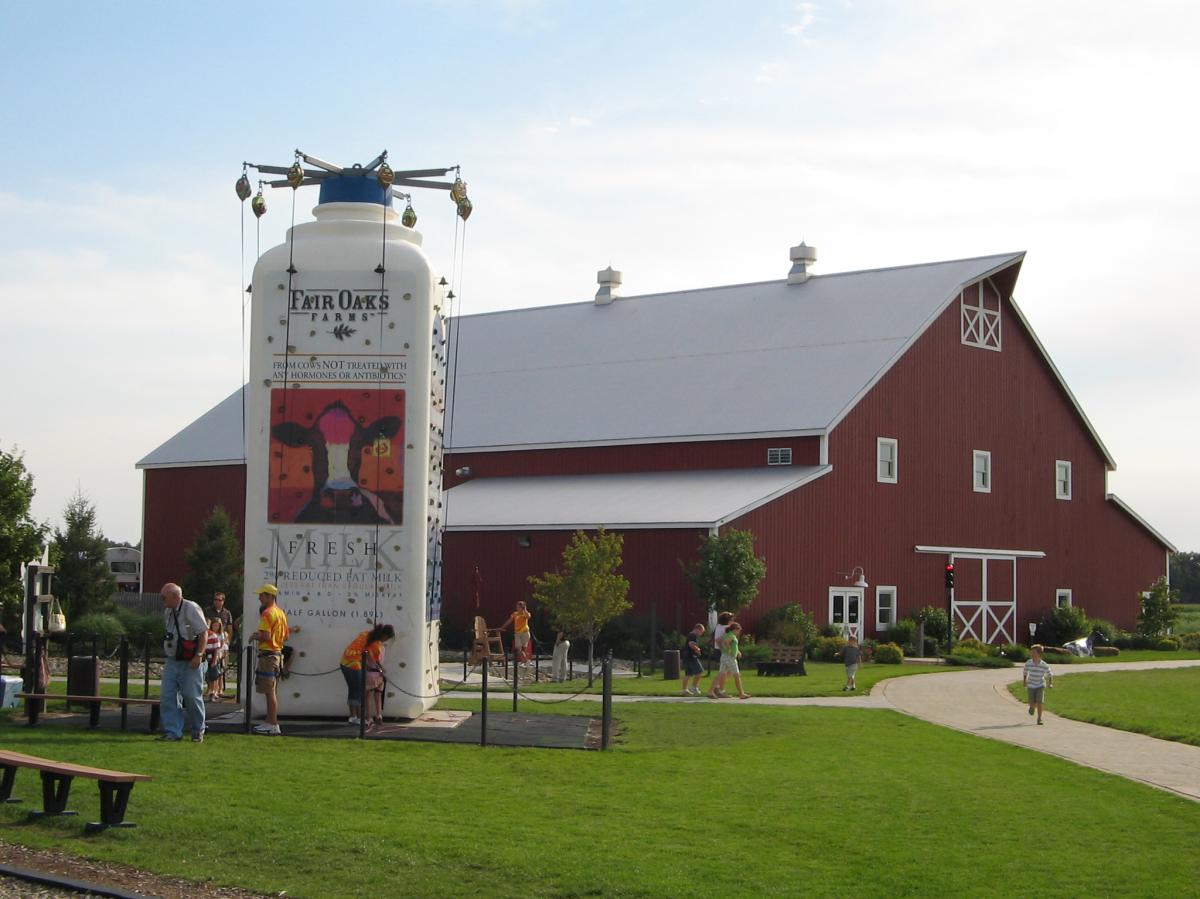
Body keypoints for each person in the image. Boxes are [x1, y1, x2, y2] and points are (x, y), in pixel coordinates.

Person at [158, 582, 210, 743]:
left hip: (191, 660)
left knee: (192, 696)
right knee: (168, 696)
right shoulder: (168, 611)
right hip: (173, 659)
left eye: (164, 597)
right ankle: (173, 731)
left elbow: (203, 633)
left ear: (175, 597)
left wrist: (199, 655)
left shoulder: (191, 608)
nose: (162, 600)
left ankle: (198, 729)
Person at [250, 584, 300, 735]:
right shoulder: (280, 613)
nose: (259, 597)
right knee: (272, 691)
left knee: (269, 691)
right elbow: (286, 636)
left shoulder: (267, 613)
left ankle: (272, 723)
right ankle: (269, 721)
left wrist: (254, 636)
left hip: (268, 655)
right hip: (277, 654)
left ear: (270, 596)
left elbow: (265, 636)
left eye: (262, 595)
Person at [339, 623, 396, 726]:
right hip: (354, 665)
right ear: (385, 636)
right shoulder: (375, 644)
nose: (385, 641)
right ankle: (357, 718)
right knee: (358, 691)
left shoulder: (366, 633)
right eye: (386, 639)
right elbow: (377, 662)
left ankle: (353, 717)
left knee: (353, 690)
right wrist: (382, 671)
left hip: (344, 662)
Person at [709, 621, 751, 700]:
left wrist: (737, 651)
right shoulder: (731, 635)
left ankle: (710, 691)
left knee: (720, 674)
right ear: (735, 629)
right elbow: (726, 642)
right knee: (736, 675)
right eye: (738, 630)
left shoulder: (727, 634)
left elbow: (719, 640)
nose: (739, 632)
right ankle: (741, 693)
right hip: (730, 658)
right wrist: (729, 650)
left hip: (724, 656)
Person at [1023, 643, 1054, 725]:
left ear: (1039, 654)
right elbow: (1025, 672)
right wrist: (1024, 681)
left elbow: (1050, 674)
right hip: (1031, 685)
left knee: (1040, 702)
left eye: (1034, 652)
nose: (1032, 654)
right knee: (1031, 701)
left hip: (1040, 685)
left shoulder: (1044, 665)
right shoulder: (1029, 663)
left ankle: (1039, 718)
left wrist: (1050, 683)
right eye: (1031, 652)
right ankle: (1032, 706)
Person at [708, 611, 734, 697]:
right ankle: (719, 689)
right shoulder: (726, 628)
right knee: (725, 671)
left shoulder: (718, 626)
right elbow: (718, 640)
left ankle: (718, 688)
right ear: (727, 620)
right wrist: (724, 650)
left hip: (717, 650)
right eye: (731, 619)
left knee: (726, 671)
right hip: (722, 651)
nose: (732, 620)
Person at [204, 619, 227, 702]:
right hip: (205, 657)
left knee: (214, 675)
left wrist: (214, 660)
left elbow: (216, 649)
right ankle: (210, 690)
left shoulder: (214, 635)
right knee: (208, 675)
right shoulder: (202, 634)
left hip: (214, 657)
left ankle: (214, 692)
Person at [681, 623, 706, 696]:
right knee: (699, 672)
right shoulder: (693, 635)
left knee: (688, 674)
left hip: (687, 657)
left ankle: (684, 690)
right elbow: (691, 644)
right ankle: (694, 687)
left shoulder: (690, 634)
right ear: (698, 629)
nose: (701, 634)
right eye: (701, 632)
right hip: (692, 657)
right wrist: (697, 649)